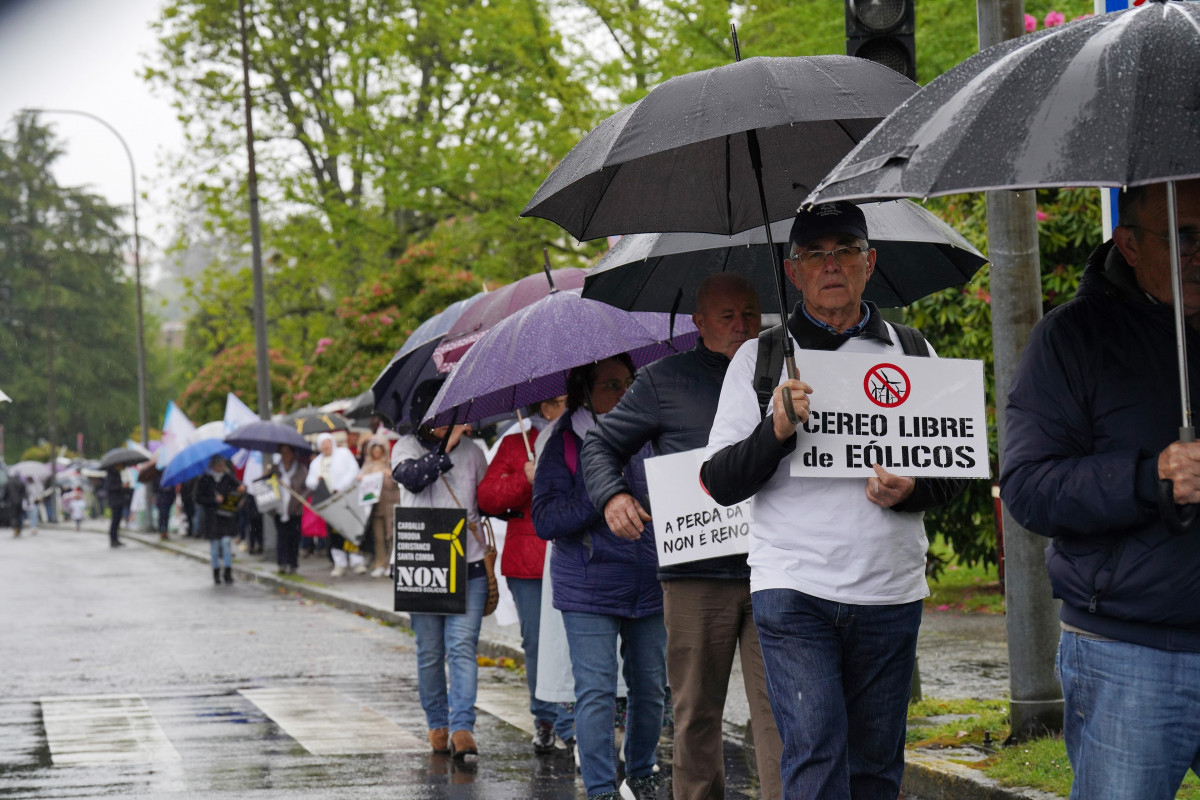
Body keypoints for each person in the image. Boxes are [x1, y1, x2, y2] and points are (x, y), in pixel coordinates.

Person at [701, 201, 963, 800]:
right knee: (816, 757)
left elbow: (956, 474)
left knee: (875, 768)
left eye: (845, 250)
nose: (831, 265)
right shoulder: (760, 359)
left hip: (889, 590)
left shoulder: (914, 352)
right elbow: (718, 482)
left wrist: (912, 489)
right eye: (814, 255)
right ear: (793, 273)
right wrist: (775, 431)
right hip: (794, 589)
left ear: (870, 262)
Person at [1000, 179, 1200, 800]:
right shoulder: (1070, 339)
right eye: (1185, 236)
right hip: (1129, 654)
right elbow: (1029, 488)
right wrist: (1152, 477)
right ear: (1130, 244)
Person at [581, 273, 782, 800]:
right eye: (726, 317)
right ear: (698, 323)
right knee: (694, 713)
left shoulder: (790, 368)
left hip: (777, 567)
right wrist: (612, 497)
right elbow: (600, 446)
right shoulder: (661, 381)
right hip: (697, 575)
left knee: (782, 710)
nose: (741, 326)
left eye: (749, 313)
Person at [532, 356, 667, 800]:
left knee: (650, 687)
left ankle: (642, 770)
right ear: (584, 392)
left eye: (629, 381)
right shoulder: (563, 442)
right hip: (586, 585)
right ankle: (600, 788)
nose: (625, 392)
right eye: (611, 384)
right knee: (597, 692)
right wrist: (602, 486)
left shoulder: (651, 429)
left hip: (647, 578)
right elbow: (546, 519)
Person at [391, 377, 489, 760]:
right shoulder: (405, 446)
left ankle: (463, 726)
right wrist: (446, 447)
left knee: (462, 648)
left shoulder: (475, 451)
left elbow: (489, 497)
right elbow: (413, 478)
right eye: (443, 413)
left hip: (469, 563)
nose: (453, 420)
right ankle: (437, 722)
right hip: (423, 567)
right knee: (430, 652)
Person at [477, 395, 573, 755]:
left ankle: (576, 717)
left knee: (574, 641)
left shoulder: (581, 435)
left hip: (574, 552)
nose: (566, 407)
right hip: (528, 560)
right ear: (544, 407)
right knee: (537, 642)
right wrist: (524, 478)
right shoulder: (515, 442)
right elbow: (487, 498)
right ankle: (547, 720)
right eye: (559, 402)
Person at [305, 432, 366, 576]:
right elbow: (310, 481)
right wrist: (317, 481)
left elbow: (353, 471)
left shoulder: (344, 454)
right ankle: (340, 562)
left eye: (328, 443)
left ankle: (356, 560)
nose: (326, 447)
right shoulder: (316, 462)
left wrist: (341, 487)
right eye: (323, 444)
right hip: (329, 503)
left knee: (351, 530)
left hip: (345, 499)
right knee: (334, 533)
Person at [196, 455, 244, 585]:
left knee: (226, 543)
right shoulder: (205, 479)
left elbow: (238, 488)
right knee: (214, 547)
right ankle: (216, 572)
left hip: (226, 516)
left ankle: (228, 572)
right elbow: (199, 498)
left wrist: (241, 489)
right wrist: (213, 500)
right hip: (211, 517)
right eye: (218, 465)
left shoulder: (227, 477)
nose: (220, 468)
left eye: (222, 465)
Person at [357, 433, 400, 578]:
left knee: (391, 536)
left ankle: (391, 563)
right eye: (373, 448)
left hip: (390, 506)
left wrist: (391, 476)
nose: (376, 451)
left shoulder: (389, 464)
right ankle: (380, 562)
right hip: (375, 509)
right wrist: (361, 479)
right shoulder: (367, 466)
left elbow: (397, 484)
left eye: (379, 448)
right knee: (378, 538)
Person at [269, 443, 309, 575]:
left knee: (294, 537)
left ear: (292, 454)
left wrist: (300, 498)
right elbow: (267, 485)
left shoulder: (300, 468)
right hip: (279, 509)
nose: (285, 455)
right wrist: (267, 475)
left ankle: (293, 563)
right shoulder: (275, 469)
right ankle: (281, 563)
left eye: (287, 452)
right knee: (281, 536)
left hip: (294, 509)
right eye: (283, 453)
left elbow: (307, 487)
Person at [103, 467, 130, 548]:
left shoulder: (116, 474)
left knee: (117, 521)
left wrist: (124, 487)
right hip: (115, 502)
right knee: (115, 521)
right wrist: (122, 487)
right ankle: (113, 539)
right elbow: (110, 488)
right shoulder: (110, 475)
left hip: (118, 501)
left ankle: (115, 539)